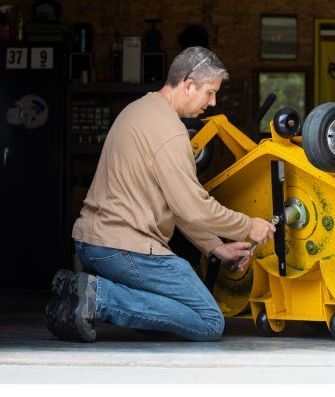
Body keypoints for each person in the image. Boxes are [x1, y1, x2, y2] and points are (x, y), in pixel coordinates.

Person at [44, 46, 275, 343]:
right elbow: (193, 207)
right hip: (126, 250)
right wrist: (248, 226)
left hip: (92, 246)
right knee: (207, 320)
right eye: (210, 92)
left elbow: (175, 203)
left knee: (176, 314)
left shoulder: (138, 110)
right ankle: (97, 297)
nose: (213, 102)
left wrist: (216, 247)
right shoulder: (171, 131)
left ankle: (77, 300)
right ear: (189, 85)